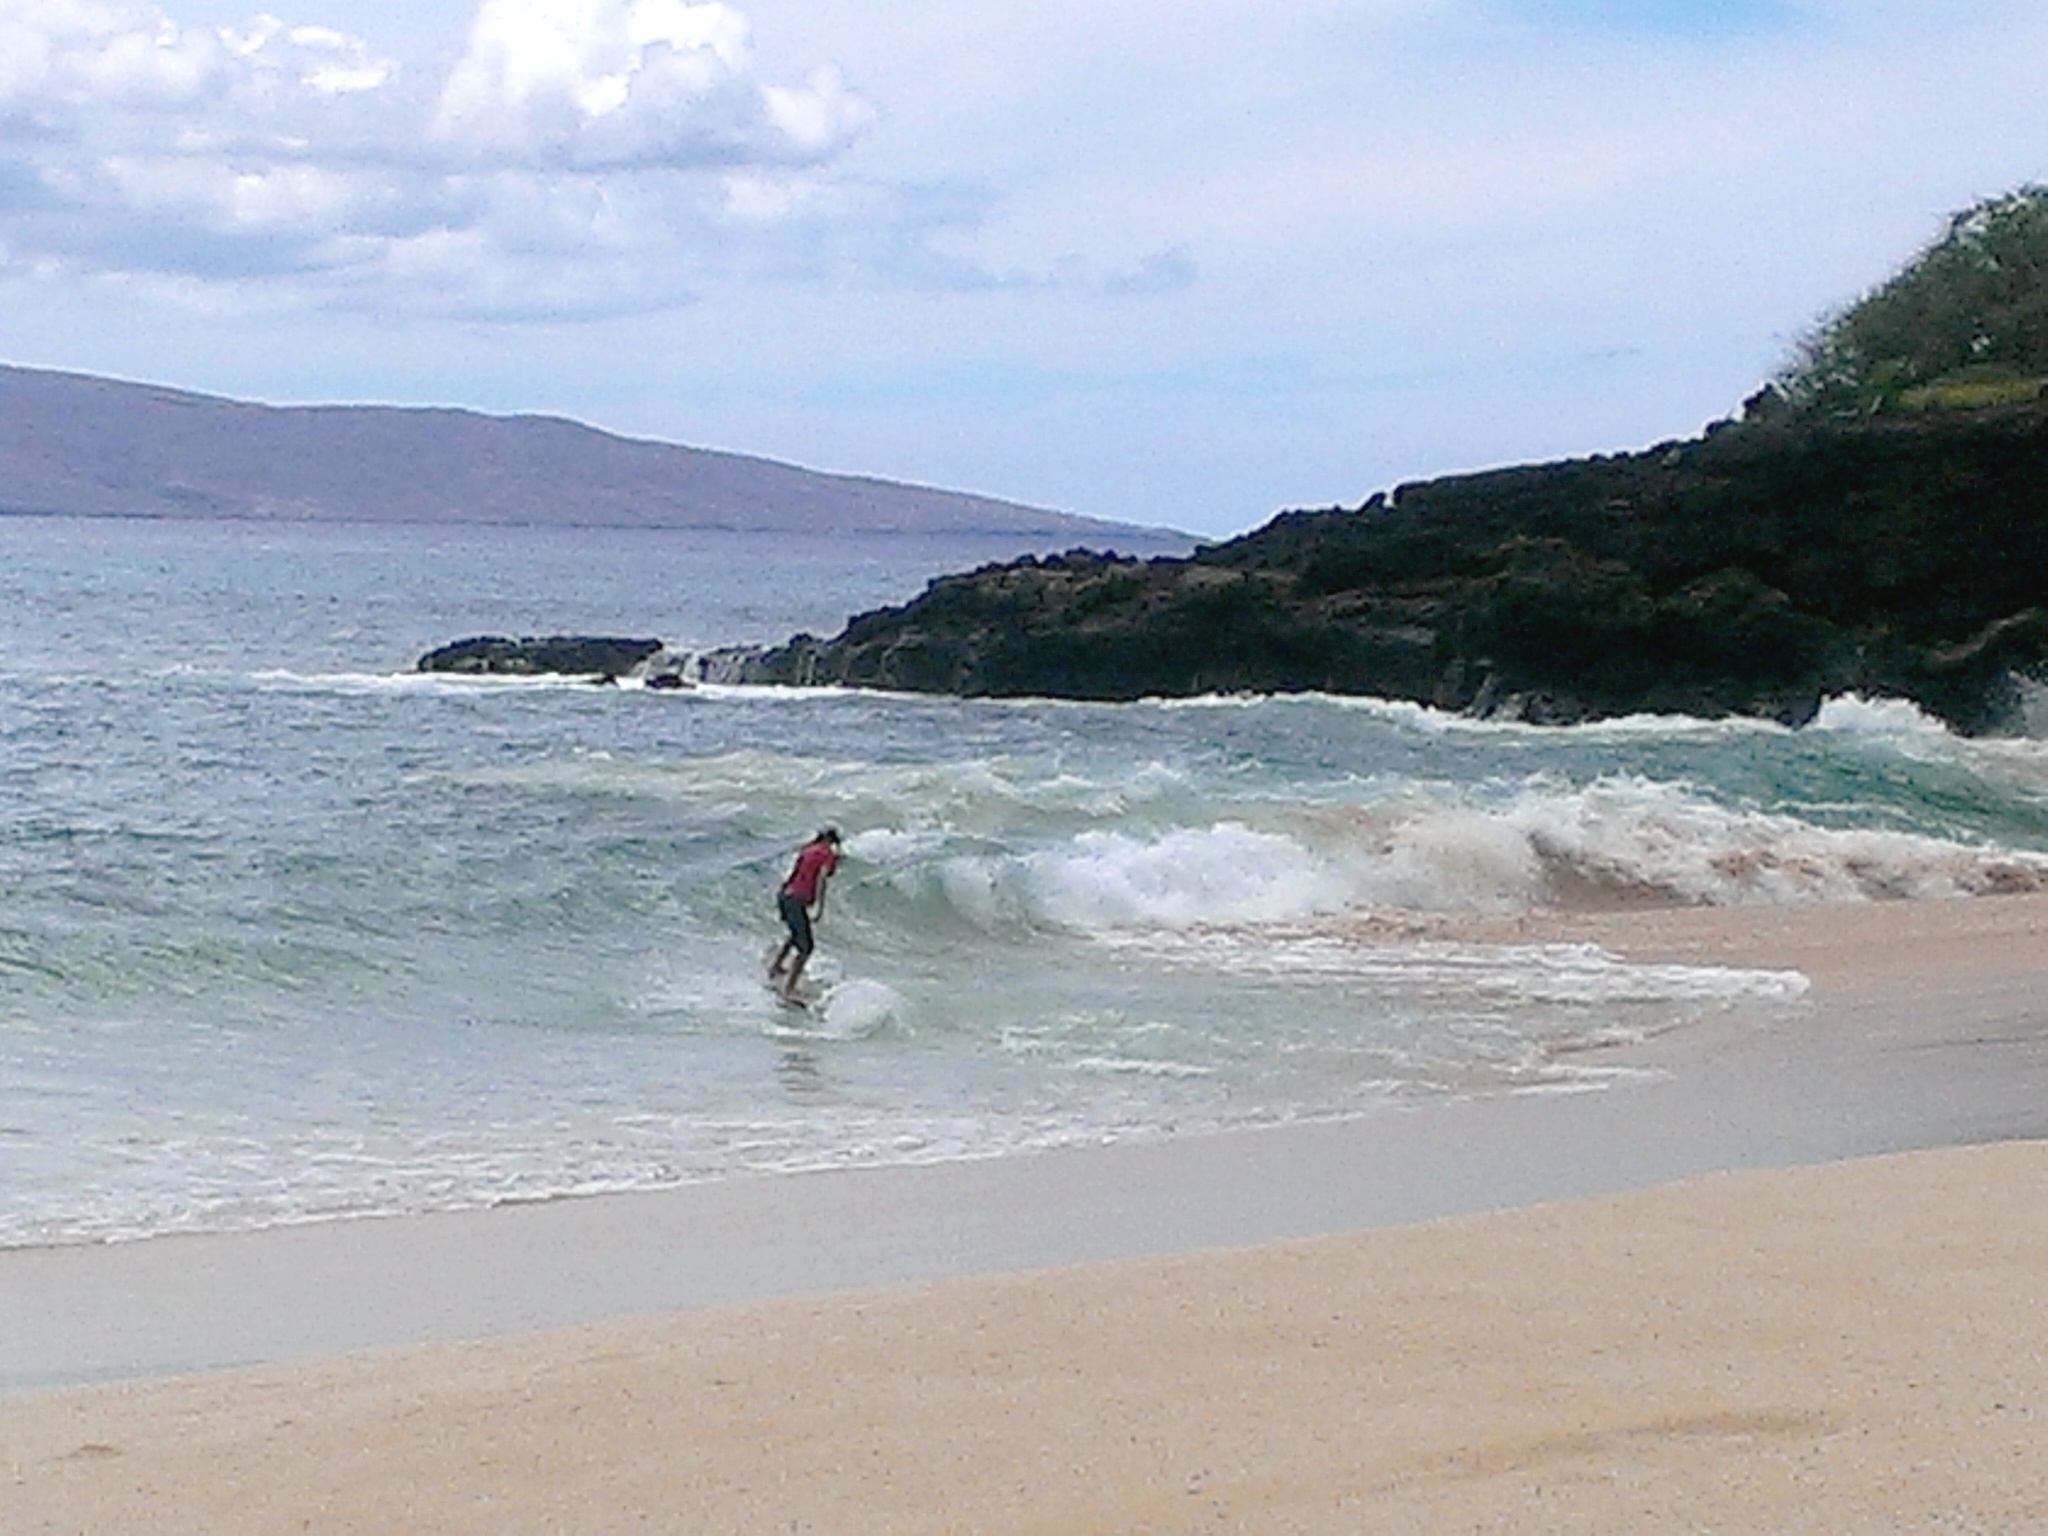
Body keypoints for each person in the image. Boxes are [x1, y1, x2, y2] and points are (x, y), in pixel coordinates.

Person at [768, 827, 842, 1003]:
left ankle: (776, 967)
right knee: (806, 947)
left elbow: (793, 875)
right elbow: (821, 879)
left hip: (785, 896)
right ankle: (789, 989)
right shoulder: (826, 854)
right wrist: (819, 907)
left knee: (796, 934)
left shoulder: (807, 850)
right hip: (796, 900)